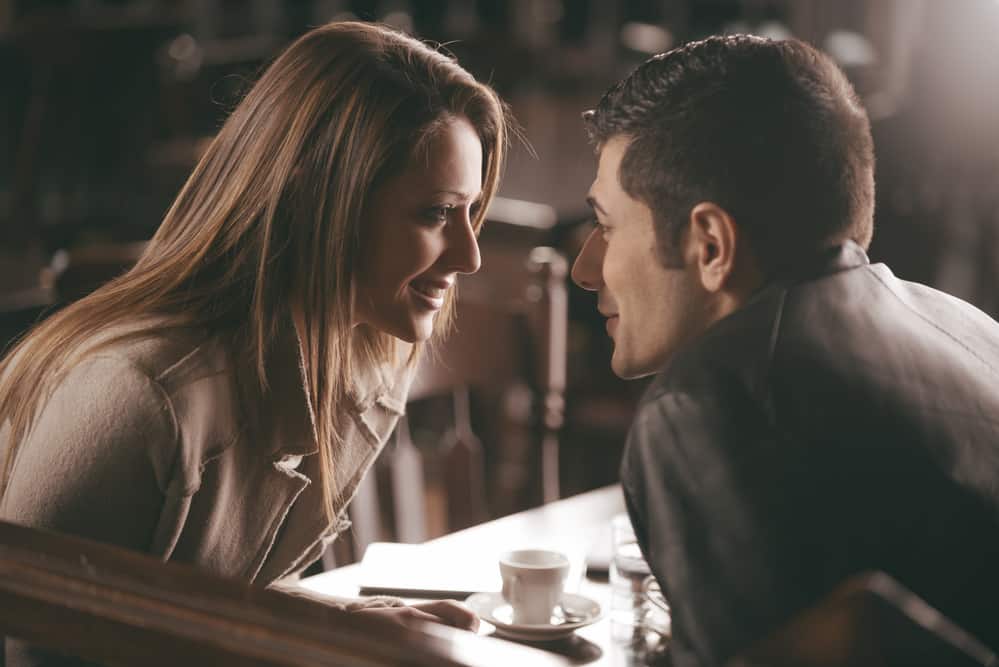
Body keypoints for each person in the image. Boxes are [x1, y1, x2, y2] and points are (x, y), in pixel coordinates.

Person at [0, 20, 508, 649]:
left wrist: (339, 622)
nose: (469, 256)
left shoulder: (366, 358)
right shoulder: (139, 396)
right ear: (314, 195)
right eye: (435, 212)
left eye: (470, 210)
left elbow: (194, 593)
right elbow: (36, 645)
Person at [571, 35, 999, 666]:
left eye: (606, 225)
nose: (585, 268)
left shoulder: (709, 401)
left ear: (711, 245)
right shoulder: (973, 332)